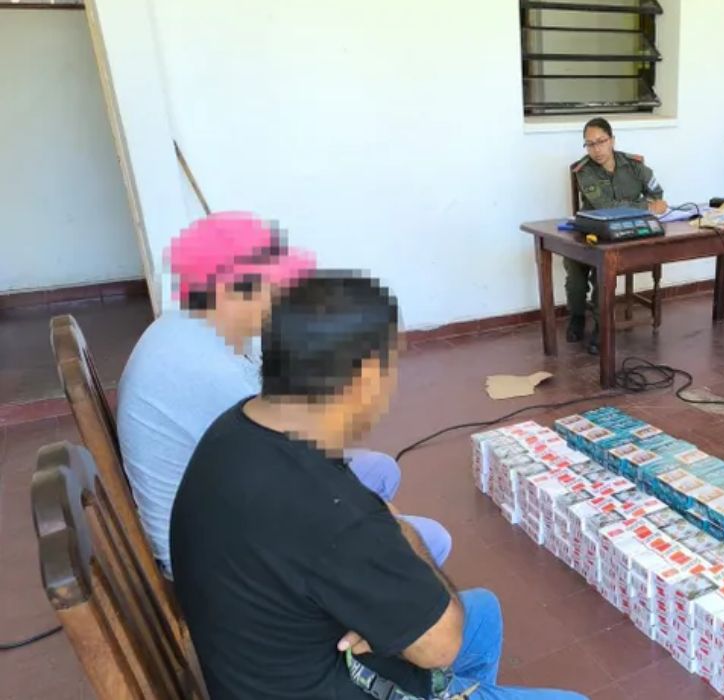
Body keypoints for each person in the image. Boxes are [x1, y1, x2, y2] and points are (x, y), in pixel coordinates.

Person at [170, 272, 585, 700]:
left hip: (261, 657)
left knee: (485, 614)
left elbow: (352, 527)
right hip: (326, 680)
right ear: (367, 377)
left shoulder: (243, 426)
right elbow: (442, 645)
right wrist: (397, 543)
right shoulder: (335, 517)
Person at [117, 212, 451, 577]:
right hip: (211, 550)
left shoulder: (200, 327)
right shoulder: (202, 365)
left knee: (380, 471)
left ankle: (365, 581)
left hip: (224, 501)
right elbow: (298, 464)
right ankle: (360, 598)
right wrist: (382, 526)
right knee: (430, 539)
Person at [568, 116, 668, 354]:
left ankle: (602, 326)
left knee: (605, 270)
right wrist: (643, 205)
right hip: (592, 232)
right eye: (589, 144)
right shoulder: (583, 170)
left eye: (600, 141)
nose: (596, 149)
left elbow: (659, 196)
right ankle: (578, 316)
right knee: (575, 271)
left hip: (629, 233)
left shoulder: (634, 165)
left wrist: (644, 204)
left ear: (612, 140)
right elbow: (606, 206)